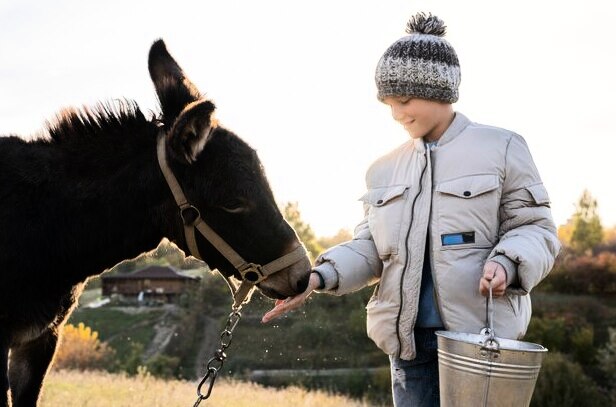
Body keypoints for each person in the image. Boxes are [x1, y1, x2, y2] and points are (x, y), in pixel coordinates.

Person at [262, 12, 561, 407]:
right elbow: (369, 248)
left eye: (404, 101)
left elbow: (536, 229)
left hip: (480, 344)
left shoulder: (502, 148)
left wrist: (507, 262)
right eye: (388, 104)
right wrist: (318, 277)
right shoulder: (383, 169)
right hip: (409, 348)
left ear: (439, 90)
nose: (396, 114)